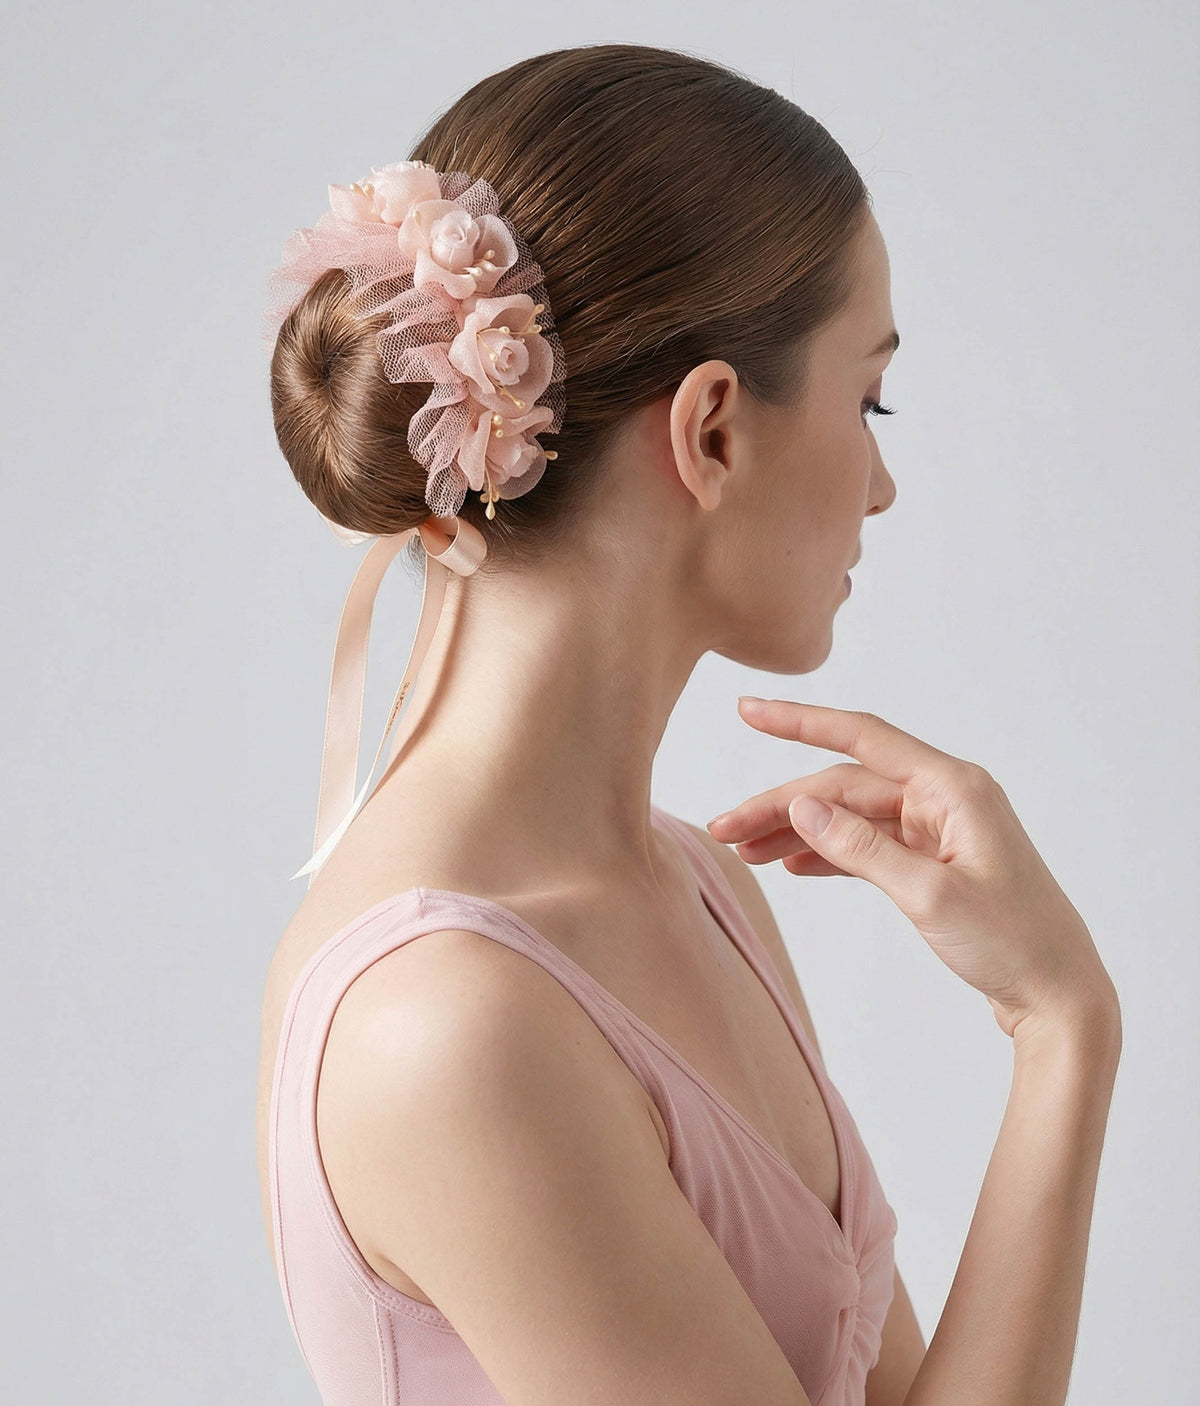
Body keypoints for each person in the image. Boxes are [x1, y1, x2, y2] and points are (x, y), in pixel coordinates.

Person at [255, 42, 1121, 1406]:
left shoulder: (701, 886)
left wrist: (1061, 1018)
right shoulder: (450, 1022)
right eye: (867, 395)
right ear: (713, 428)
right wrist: (1060, 1027)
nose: (883, 484)